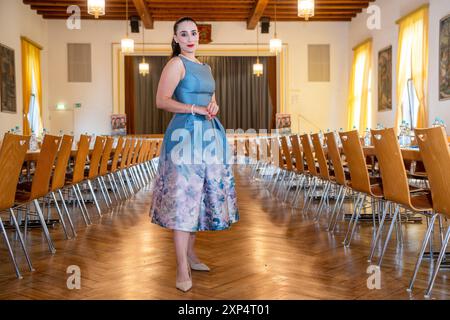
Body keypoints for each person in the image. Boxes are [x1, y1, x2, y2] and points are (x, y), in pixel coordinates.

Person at [149, 17, 239, 292]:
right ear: (176, 39)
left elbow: (209, 98)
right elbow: (161, 101)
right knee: (183, 200)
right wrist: (194, 110)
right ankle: (180, 267)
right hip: (184, 137)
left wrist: (213, 105)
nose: (190, 38)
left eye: (194, 33)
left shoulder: (206, 67)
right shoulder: (176, 64)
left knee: (198, 196)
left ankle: (191, 254)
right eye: (184, 34)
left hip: (209, 135)